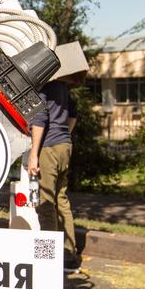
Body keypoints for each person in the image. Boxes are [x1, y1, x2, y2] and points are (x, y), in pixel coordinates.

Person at [28, 73, 83, 274]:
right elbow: (74, 114)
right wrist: (64, 135)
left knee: (45, 202)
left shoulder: (43, 84)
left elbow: (40, 119)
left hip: (48, 147)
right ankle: (69, 256)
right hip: (64, 145)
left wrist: (34, 153)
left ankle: (47, 257)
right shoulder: (63, 86)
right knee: (61, 199)